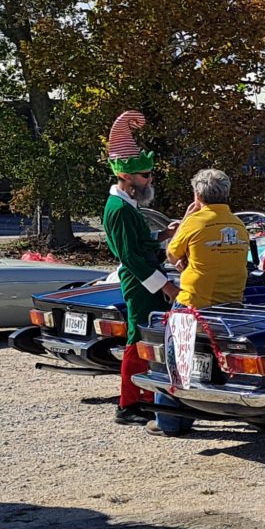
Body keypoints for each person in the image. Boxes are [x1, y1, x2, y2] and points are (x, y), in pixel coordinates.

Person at [100, 113, 181, 429]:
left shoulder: (127, 206)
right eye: (144, 175)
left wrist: (162, 236)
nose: (149, 180)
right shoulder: (119, 209)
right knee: (138, 336)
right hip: (139, 281)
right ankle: (129, 403)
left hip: (144, 278)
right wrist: (166, 287)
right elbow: (130, 256)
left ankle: (146, 397)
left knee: (148, 335)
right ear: (126, 176)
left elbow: (139, 244)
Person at [168, 168, 250, 312]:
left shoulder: (194, 221)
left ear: (198, 195)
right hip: (233, 303)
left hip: (195, 304)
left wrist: (185, 219)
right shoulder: (239, 224)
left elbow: (171, 255)